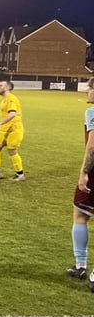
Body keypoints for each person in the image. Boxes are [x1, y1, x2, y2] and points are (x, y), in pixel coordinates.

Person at [68, 77, 94, 291]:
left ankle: (81, 266)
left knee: (80, 214)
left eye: (90, 88)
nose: (87, 91)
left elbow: (92, 146)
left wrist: (84, 172)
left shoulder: (92, 112)